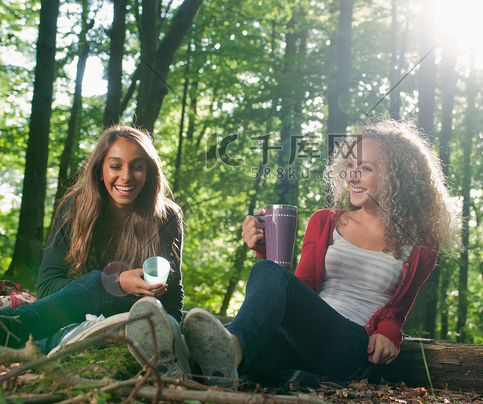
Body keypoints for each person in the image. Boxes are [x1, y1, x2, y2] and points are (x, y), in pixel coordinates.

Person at [180, 118, 460, 388]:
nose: (351, 176)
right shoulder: (325, 221)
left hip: (351, 346)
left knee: (267, 282)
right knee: (258, 342)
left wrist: (390, 332)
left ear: (396, 177)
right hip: (300, 342)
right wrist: (265, 250)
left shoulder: (420, 245)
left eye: (365, 168)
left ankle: (229, 348)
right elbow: (299, 290)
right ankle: (183, 358)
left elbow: (397, 311)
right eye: (350, 165)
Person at [0, 125, 190, 374]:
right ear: (100, 169)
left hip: (137, 323)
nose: (126, 176)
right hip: (68, 322)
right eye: (115, 165)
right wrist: (115, 284)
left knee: (150, 316)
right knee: (97, 283)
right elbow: (47, 288)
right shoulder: (75, 207)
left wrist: (168, 327)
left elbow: (173, 296)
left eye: (137, 166)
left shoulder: (167, 217)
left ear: (149, 172)